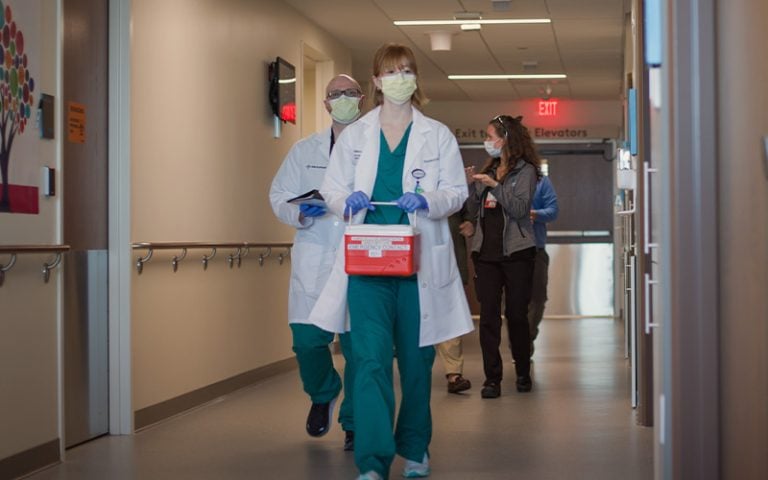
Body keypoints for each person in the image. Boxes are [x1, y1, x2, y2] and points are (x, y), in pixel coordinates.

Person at [309, 43, 473, 480]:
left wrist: (427, 198)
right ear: (376, 82)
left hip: (418, 265)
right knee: (369, 360)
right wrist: (348, 200)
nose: (400, 78)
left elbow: (457, 191)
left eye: (406, 70)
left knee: (417, 364)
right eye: (390, 72)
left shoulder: (436, 134)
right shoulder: (356, 135)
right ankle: (373, 460)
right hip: (367, 266)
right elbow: (331, 189)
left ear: (415, 78)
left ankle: (416, 449)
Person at [268, 74, 364, 451]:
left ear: (361, 99)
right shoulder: (304, 150)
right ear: (325, 104)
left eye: (350, 93)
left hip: (360, 255)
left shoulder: (377, 147)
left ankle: (355, 421)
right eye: (334, 94)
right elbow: (278, 195)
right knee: (307, 342)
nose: (342, 99)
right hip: (316, 252)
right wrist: (300, 214)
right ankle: (323, 392)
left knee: (360, 347)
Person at [466, 114, 540, 399]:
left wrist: (496, 186)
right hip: (486, 254)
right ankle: (492, 378)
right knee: (488, 318)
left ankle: (522, 370)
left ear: (507, 138)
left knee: (516, 315)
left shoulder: (526, 171)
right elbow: (473, 210)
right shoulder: (490, 168)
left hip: (518, 252)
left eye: (491, 136)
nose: (487, 142)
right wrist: (471, 186)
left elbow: (521, 209)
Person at [436, 189, 475, 394]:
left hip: (449, 256)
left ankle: (454, 374)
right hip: (413, 257)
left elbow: (468, 213)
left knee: (449, 315)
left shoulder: (453, 180)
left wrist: (469, 222)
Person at [528, 175, 559, 355]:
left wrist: (534, 214)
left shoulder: (541, 181)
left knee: (538, 300)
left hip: (536, 250)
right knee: (512, 302)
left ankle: (527, 337)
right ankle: (519, 343)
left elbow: (553, 211)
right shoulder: (499, 178)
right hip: (507, 252)